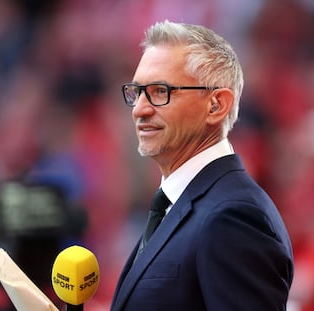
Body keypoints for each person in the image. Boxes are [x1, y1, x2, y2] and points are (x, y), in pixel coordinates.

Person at [111, 20, 294, 311]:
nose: (140, 109)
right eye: (137, 92)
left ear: (216, 105)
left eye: (160, 91)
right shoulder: (182, 204)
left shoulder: (234, 216)